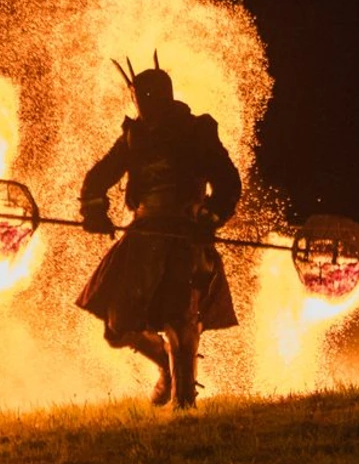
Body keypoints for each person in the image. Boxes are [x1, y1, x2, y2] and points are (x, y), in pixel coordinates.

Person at [75, 55, 242, 410]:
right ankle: (166, 366)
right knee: (118, 326)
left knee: (182, 320)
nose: (144, 104)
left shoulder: (197, 131)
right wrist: (94, 209)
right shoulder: (134, 136)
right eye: (141, 97)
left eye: (150, 97)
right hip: (144, 235)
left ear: (163, 95)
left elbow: (228, 182)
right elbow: (99, 177)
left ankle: (185, 403)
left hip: (186, 236)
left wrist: (209, 217)